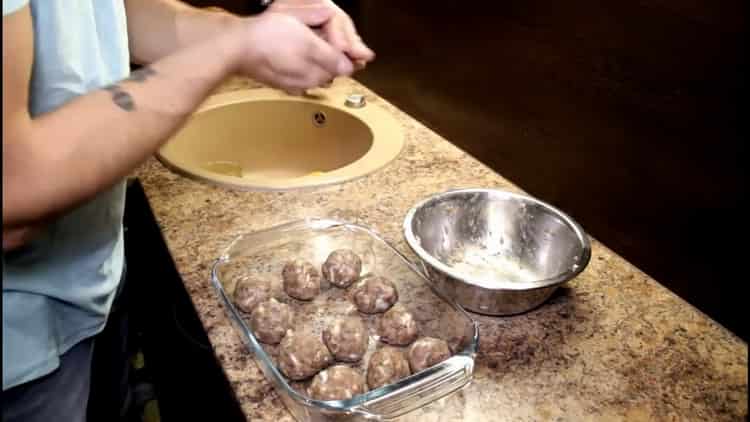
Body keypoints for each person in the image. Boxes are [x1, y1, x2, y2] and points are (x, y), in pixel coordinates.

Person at [1, 1, 374, 420]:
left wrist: (255, 33)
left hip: (90, 278)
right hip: (20, 346)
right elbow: (12, 196)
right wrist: (233, 48)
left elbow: (119, 13)